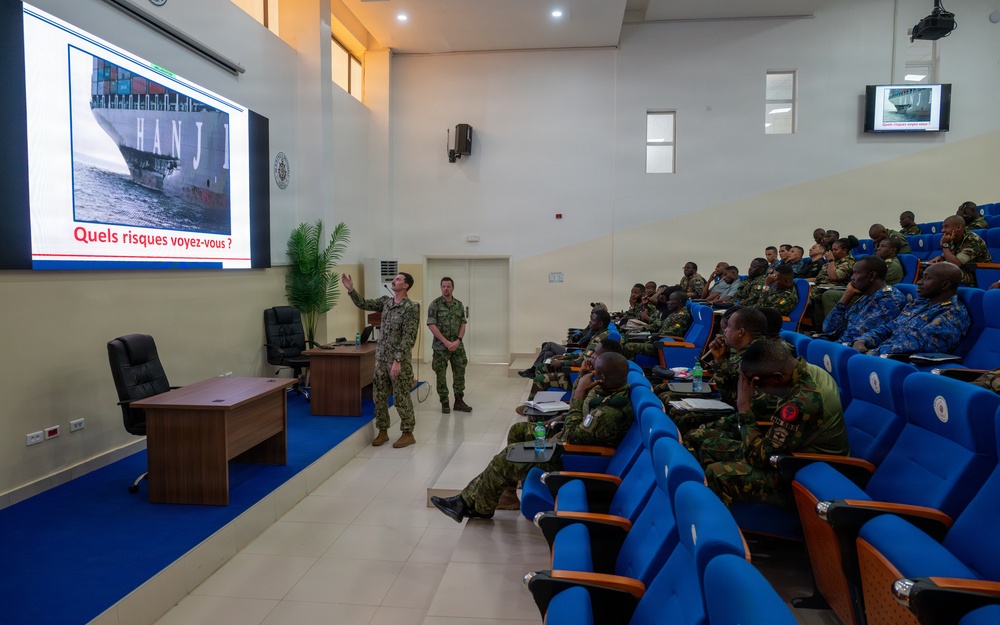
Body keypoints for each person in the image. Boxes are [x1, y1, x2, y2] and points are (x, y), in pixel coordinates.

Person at [430, 351, 633, 522]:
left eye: (595, 371)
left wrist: (579, 394)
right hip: (566, 444)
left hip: (570, 458)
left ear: (602, 378)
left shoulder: (609, 412)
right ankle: (498, 496)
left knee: (505, 459)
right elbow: (576, 409)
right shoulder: (608, 390)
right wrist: (581, 377)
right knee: (518, 432)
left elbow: (573, 434)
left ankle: (479, 508)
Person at [699, 339, 849, 508]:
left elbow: (759, 459)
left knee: (717, 473)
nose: (756, 390)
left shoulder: (801, 404)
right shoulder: (805, 369)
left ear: (777, 377)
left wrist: (743, 406)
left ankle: (726, 530)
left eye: (758, 384)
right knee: (709, 446)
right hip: (789, 456)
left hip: (805, 475)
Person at [343, 272, 420, 448]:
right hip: (381, 359)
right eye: (394, 278)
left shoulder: (410, 308)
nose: (394, 280)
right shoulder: (386, 301)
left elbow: (409, 337)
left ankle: (408, 432)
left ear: (406, 285)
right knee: (378, 396)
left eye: (398, 279)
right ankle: (383, 431)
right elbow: (363, 303)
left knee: (401, 397)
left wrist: (398, 360)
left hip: (397, 361)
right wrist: (351, 290)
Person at [851, 262, 970, 357]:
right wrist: (864, 340)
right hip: (882, 355)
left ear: (945, 285)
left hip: (906, 364)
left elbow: (919, 344)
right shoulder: (919, 303)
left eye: (926, 278)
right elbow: (891, 327)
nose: (919, 282)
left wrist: (874, 352)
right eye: (921, 277)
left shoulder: (952, 313)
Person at [821, 255, 908, 345]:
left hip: (855, 350)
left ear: (872, 275)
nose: (852, 278)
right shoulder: (867, 296)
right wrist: (847, 295)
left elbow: (857, 336)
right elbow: (829, 329)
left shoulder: (890, 301)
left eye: (856, 273)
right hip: (843, 344)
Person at [526, 308, 612, 398]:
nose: (590, 322)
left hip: (579, 377)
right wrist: (567, 356)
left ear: (600, 324)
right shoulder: (598, 335)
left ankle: (533, 403)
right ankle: (542, 399)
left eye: (592, 320)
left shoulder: (600, 339)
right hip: (579, 373)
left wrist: (562, 363)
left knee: (539, 380)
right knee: (541, 367)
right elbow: (585, 354)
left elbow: (585, 360)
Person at [427, 277, 471, 414]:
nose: (446, 289)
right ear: (441, 287)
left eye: (448, 286)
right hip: (441, 347)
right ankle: (444, 402)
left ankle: (459, 400)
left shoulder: (458, 305)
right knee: (441, 374)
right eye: (443, 286)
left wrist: (458, 341)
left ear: (453, 288)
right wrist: (446, 342)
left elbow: (463, 324)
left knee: (459, 373)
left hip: (457, 346)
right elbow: (431, 324)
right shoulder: (435, 304)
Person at [622, 291, 691, 359]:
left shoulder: (682, 316)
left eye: (670, 300)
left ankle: (628, 367)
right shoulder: (675, 313)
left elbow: (674, 331)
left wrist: (652, 336)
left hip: (663, 345)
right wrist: (641, 329)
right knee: (628, 339)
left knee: (629, 346)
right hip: (657, 340)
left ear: (679, 301)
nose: (668, 302)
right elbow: (659, 324)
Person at [928, 214, 992, 287]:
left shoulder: (973, 240)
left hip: (976, 274)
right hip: (961, 269)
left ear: (958, 227)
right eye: (943, 227)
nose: (942, 230)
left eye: (946, 227)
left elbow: (956, 264)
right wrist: (941, 258)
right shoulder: (952, 238)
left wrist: (944, 245)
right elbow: (950, 256)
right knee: (926, 269)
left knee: (944, 271)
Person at [810, 235, 857, 325]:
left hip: (837, 288)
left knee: (817, 296)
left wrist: (831, 260)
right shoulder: (834, 261)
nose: (832, 252)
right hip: (822, 286)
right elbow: (818, 278)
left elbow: (834, 277)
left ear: (844, 251)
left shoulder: (848, 262)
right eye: (832, 250)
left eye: (835, 250)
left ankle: (828, 327)